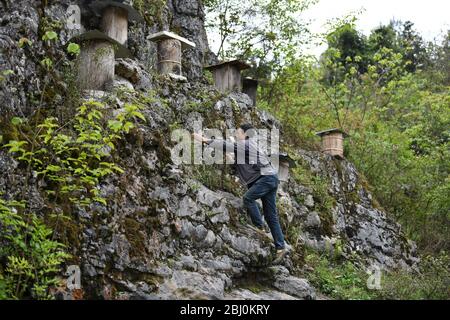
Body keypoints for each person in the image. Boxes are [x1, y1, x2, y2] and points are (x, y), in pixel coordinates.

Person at [193, 123, 289, 264]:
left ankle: (259, 227)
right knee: (270, 215)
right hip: (269, 178)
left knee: (248, 198)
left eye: (238, 132)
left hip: (267, 179)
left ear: (245, 134)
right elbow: (238, 163)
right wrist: (230, 158)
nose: (236, 134)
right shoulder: (246, 148)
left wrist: (203, 139)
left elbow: (226, 145)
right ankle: (281, 248)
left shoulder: (248, 143)